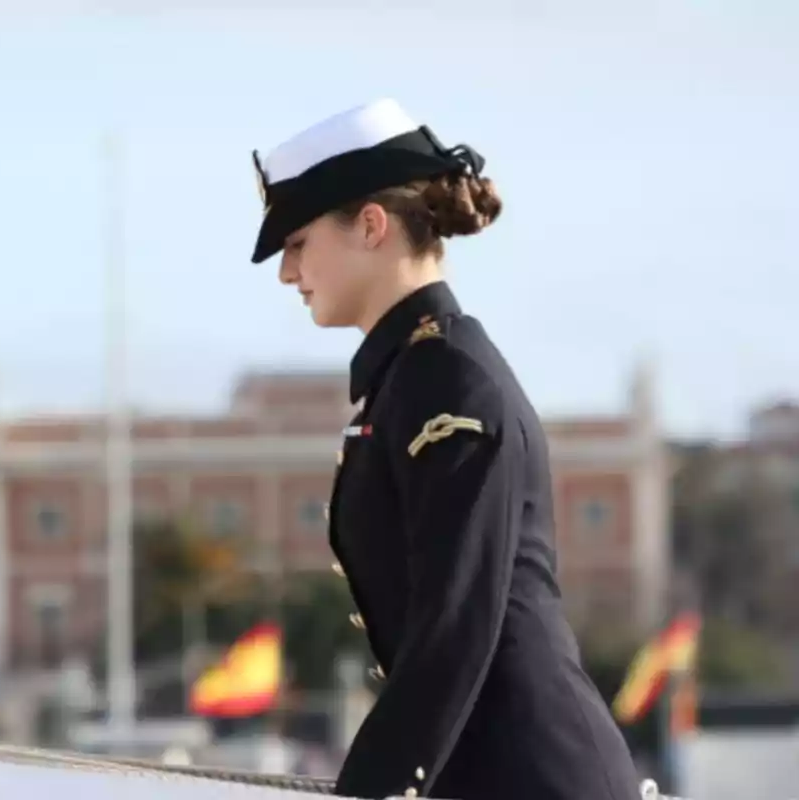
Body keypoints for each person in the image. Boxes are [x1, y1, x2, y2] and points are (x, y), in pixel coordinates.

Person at [249, 99, 641, 800]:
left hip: (534, 777)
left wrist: (369, 790)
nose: (286, 272)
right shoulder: (412, 375)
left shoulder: (446, 378)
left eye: (299, 242)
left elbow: (452, 628)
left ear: (370, 225)